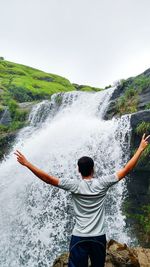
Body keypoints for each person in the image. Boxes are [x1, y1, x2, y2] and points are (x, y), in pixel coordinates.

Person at [14, 133, 150, 267]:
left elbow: (48, 179)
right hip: (98, 237)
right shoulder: (103, 183)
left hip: (79, 237)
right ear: (93, 169)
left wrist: (27, 163)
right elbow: (127, 169)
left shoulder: (74, 185)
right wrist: (140, 148)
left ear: (79, 170)